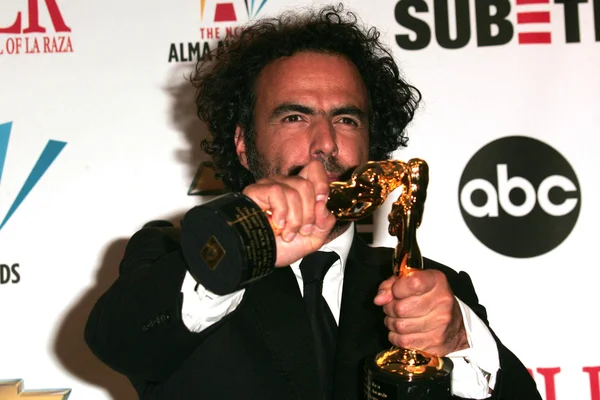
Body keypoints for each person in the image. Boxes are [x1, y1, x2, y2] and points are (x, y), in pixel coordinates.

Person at [84, 4, 542, 399]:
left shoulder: (427, 287)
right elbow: (119, 341)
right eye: (295, 116)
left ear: (371, 146)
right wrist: (242, 246)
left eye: (346, 119)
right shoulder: (178, 256)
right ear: (243, 145)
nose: (325, 143)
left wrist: (458, 338)